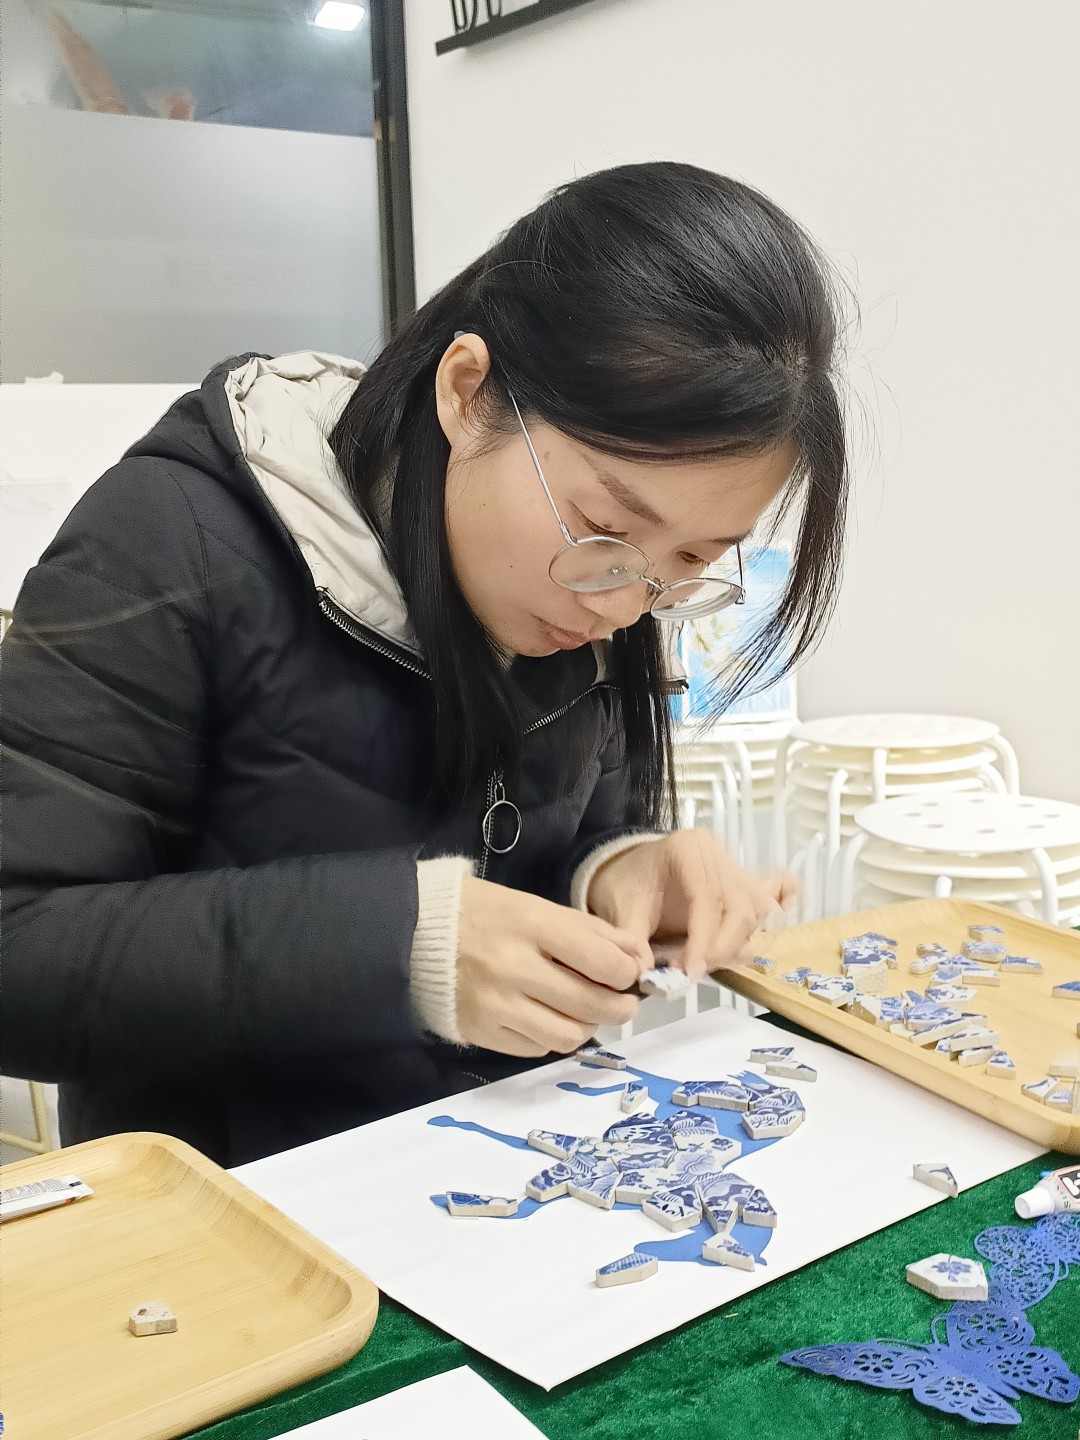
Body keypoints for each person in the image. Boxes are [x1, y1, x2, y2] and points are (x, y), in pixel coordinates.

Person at [0, 163, 848, 1168]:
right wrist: (400, 945)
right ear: (466, 392)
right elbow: (18, 948)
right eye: (605, 525)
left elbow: (549, 836)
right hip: (231, 1209)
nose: (625, 605)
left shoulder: (597, 586)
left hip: (502, 1171)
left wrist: (621, 872)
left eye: (694, 559)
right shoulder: (172, 537)